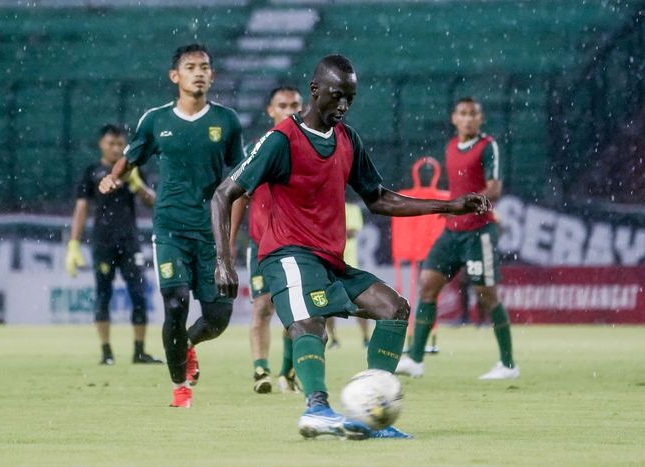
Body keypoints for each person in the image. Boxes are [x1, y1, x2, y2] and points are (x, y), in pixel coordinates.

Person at [210, 55, 490, 439]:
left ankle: (371, 408)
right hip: (287, 254)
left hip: (331, 261)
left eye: (350, 99)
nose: (343, 105)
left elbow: (378, 198)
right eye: (336, 96)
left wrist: (448, 205)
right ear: (314, 90)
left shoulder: (347, 140)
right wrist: (223, 261)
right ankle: (317, 409)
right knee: (310, 322)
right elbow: (224, 194)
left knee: (394, 308)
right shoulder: (280, 140)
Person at [98, 44, 245, 408]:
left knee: (217, 317)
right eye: (191, 67)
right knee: (176, 302)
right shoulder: (156, 120)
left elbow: (239, 180)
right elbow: (130, 157)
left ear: (212, 75)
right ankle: (180, 386)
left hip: (210, 232)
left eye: (205, 67)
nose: (199, 72)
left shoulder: (226, 122)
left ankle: (189, 344)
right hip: (170, 230)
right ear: (175, 76)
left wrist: (229, 236)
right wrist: (113, 177)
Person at [396, 97, 519, 380]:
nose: (467, 119)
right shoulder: (451, 147)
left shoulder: (488, 146)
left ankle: (508, 365)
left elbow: (495, 190)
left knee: (487, 296)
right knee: (427, 285)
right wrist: (451, 210)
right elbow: (457, 189)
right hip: (452, 232)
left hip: (479, 232)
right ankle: (415, 359)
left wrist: (466, 204)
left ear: (481, 118)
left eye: (473, 114)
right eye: (462, 114)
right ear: (453, 118)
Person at [66, 124, 161, 365]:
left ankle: (139, 351)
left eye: (120, 144)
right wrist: (73, 244)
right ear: (102, 144)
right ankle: (106, 353)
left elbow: (152, 203)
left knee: (139, 295)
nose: (116, 148)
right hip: (103, 242)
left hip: (130, 242)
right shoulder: (92, 172)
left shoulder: (132, 170)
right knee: (102, 296)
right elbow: (81, 208)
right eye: (111, 144)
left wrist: (137, 185)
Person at [246, 86, 303, 394]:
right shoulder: (260, 148)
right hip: (261, 242)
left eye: (295, 104)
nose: (291, 110)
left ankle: (288, 371)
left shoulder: (312, 147)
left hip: (297, 243)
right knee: (262, 306)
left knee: (296, 311)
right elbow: (240, 193)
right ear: (270, 110)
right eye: (283, 105)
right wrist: (229, 241)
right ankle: (261, 371)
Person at [325, 199, 370, 349]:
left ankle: (366, 338)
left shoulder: (352, 209)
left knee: (360, 304)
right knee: (329, 306)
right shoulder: (327, 206)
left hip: (350, 265)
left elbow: (352, 232)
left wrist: (330, 229)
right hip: (330, 264)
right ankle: (334, 339)